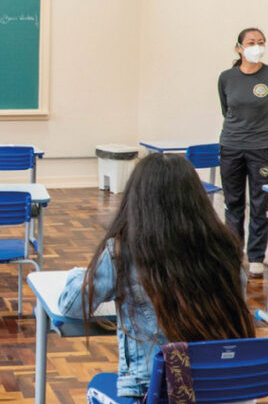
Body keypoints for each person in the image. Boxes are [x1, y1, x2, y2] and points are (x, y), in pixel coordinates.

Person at [58, 153, 255, 400]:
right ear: (196, 199)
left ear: (136, 201)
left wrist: (79, 274)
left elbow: (72, 305)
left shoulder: (123, 252)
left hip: (155, 393)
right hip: (221, 391)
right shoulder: (225, 250)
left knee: (97, 385)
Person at [218, 28, 268, 278]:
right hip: (231, 145)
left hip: (261, 146)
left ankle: (256, 256)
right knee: (233, 202)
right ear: (239, 48)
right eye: (251, 42)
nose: (256, 46)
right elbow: (226, 109)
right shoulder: (226, 77)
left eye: (261, 42)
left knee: (260, 202)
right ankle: (233, 253)